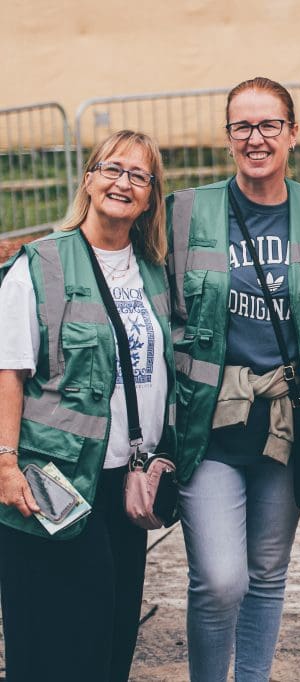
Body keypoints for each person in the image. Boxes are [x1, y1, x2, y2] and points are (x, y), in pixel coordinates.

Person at [165, 76, 300, 681]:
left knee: (266, 576)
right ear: (228, 136)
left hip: (288, 425)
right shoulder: (187, 211)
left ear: (293, 133)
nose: (256, 138)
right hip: (210, 423)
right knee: (219, 579)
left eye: (270, 125)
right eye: (242, 126)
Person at [0, 130, 174, 681]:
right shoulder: (41, 264)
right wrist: (4, 463)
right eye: (111, 168)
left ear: (150, 197)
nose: (122, 182)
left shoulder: (154, 271)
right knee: (57, 630)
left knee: (115, 630)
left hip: (124, 478)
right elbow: (9, 370)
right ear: (88, 178)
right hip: (52, 477)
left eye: (138, 176)